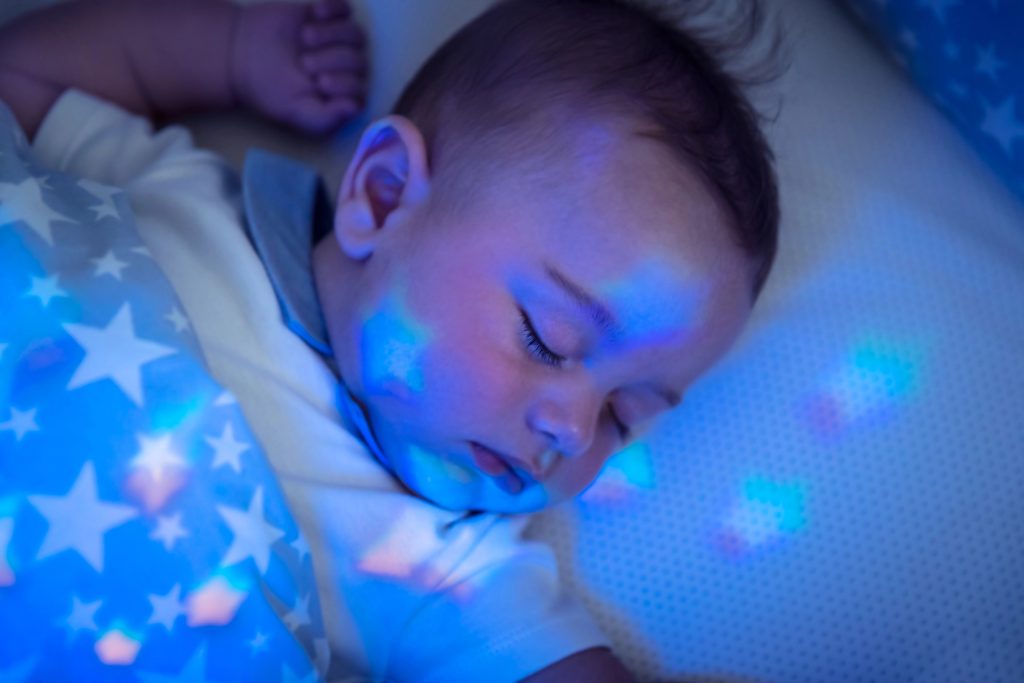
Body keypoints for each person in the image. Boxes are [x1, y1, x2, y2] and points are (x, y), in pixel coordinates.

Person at [0, 0, 780, 680]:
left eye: (624, 416)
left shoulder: (446, 565)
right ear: (383, 194)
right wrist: (230, 52)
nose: (573, 429)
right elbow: (23, 77)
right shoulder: (180, 201)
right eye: (548, 339)